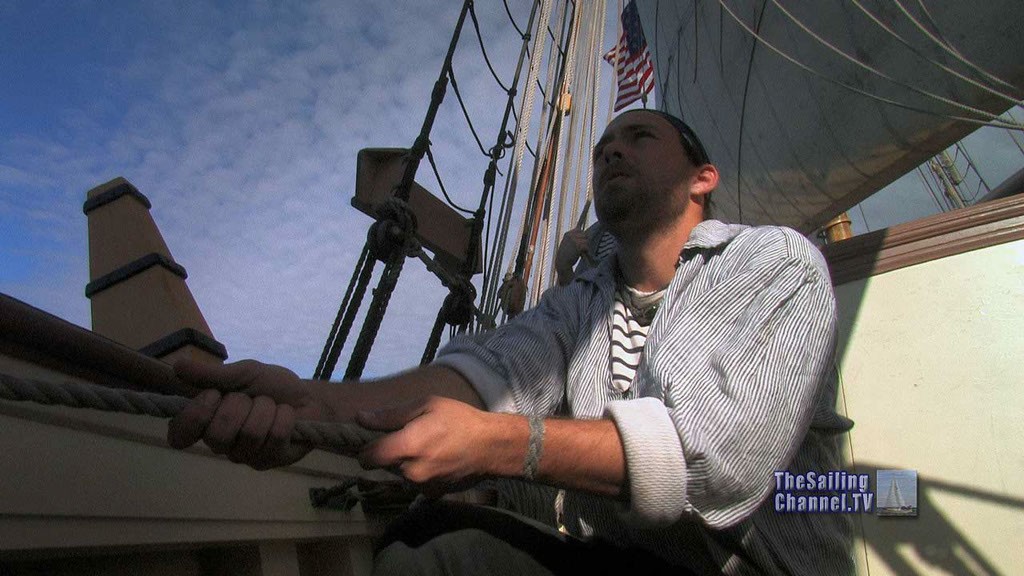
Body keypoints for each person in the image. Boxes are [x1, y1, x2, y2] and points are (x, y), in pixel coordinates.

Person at [167, 109, 854, 575]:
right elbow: (490, 373)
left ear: (703, 178)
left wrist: (505, 444)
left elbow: (713, 461)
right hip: (632, 560)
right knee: (422, 548)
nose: (612, 148)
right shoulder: (582, 303)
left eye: (640, 138)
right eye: (603, 146)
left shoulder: (772, 263)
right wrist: (317, 407)